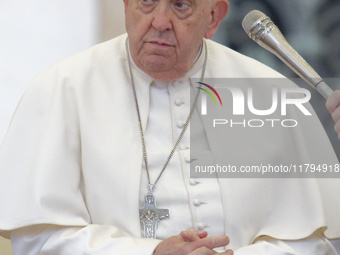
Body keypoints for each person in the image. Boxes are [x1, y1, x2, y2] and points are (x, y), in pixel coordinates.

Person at [0, 0, 340, 254]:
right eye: (146, 1)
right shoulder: (62, 88)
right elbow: (38, 238)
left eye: (180, 5)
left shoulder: (268, 90)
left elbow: (313, 241)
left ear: (214, 17)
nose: (159, 21)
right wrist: (149, 253)